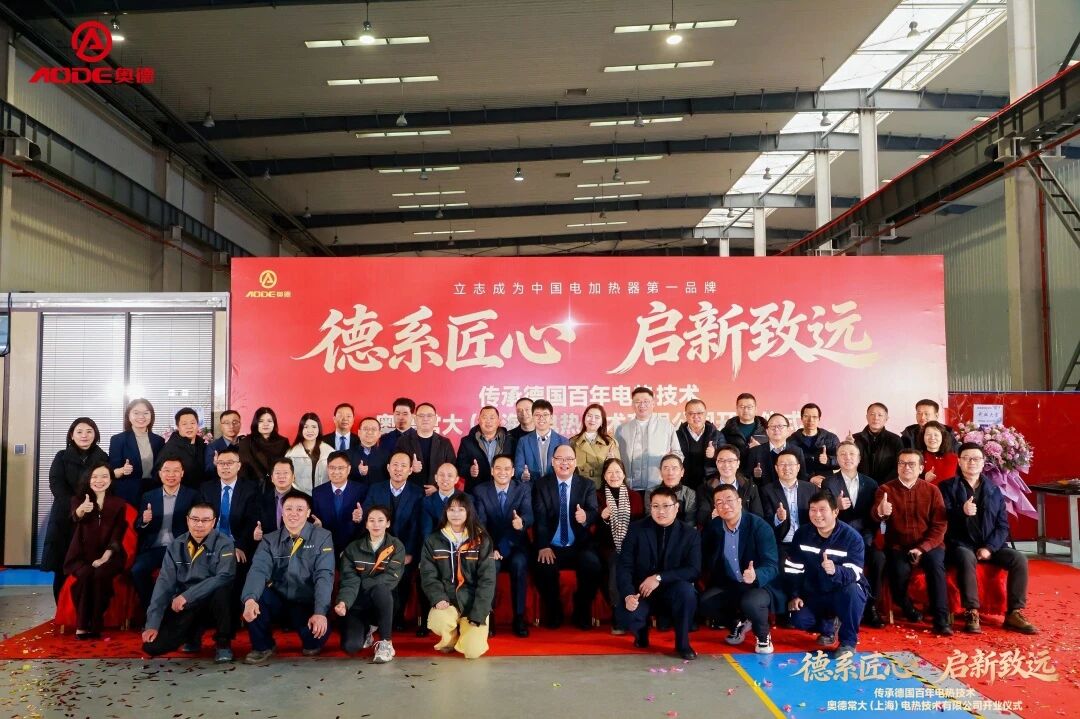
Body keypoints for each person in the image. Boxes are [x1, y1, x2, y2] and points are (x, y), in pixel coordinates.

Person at [939, 443, 1037, 634]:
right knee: (966, 557)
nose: (971, 462)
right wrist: (961, 511)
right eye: (967, 458)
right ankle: (971, 611)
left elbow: (1002, 526)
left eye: (976, 458)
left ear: (983, 462)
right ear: (959, 461)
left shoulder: (994, 490)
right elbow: (940, 519)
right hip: (960, 544)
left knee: (1019, 559)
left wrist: (989, 548)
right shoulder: (946, 487)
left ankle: (1014, 612)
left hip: (990, 545)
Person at [241, 490, 335, 664]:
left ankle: (312, 633)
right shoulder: (269, 540)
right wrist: (249, 599)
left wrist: (320, 612)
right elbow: (258, 570)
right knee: (255, 598)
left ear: (308, 513)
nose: (293, 514)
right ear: (282, 512)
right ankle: (263, 646)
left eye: (300, 509)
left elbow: (324, 575)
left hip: (306, 600)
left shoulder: (323, 537)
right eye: (289, 509)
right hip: (279, 598)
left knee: (313, 643)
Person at [141, 501, 237, 663]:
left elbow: (224, 576)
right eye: (195, 519)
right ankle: (192, 636)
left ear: (213, 522)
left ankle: (223, 643)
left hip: (211, 601)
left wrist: (188, 596)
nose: (199, 524)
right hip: (185, 606)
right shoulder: (175, 545)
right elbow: (163, 584)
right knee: (152, 647)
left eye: (205, 520)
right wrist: (152, 624)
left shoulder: (224, 543)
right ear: (187, 520)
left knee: (223, 592)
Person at [870, 449, 951, 636]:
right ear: (897, 466)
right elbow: (874, 517)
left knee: (936, 567)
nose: (906, 467)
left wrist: (922, 548)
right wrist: (880, 512)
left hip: (929, 545)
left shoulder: (932, 490)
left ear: (921, 468)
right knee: (898, 572)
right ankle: (906, 606)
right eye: (902, 463)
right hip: (898, 545)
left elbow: (940, 526)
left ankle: (941, 620)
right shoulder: (885, 490)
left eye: (911, 464)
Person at [617, 484, 701, 660]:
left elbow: (693, 570)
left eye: (666, 506)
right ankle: (641, 634)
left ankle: (683, 644)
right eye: (655, 506)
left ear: (676, 507)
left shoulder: (689, 534)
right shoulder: (636, 529)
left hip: (673, 590)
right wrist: (628, 595)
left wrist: (659, 577)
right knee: (627, 616)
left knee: (687, 592)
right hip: (642, 591)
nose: (660, 511)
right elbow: (624, 566)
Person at [784, 490, 869, 656]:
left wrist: (836, 571)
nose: (817, 515)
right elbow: (794, 568)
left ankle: (848, 642)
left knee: (854, 591)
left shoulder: (852, 538)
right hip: (815, 591)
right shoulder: (802, 534)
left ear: (835, 511)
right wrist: (795, 595)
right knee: (799, 619)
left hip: (842, 590)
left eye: (822, 510)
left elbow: (856, 573)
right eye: (813, 510)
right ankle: (828, 627)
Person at [700, 484, 780, 654]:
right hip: (731, 583)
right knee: (705, 602)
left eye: (729, 500)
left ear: (739, 501)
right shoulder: (714, 527)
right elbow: (704, 557)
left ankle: (763, 635)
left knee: (751, 602)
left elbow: (772, 565)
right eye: (719, 502)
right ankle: (737, 623)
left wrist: (756, 574)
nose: (725, 506)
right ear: (715, 507)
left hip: (758, 584)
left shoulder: (759, 526)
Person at [420, 492, 497, 659]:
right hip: (448, 601)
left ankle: (466, 632)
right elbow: (428, 574)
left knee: (472, 652)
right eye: (452, 509)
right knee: (438, 621)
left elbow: (488, 580)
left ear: (469, 512)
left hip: (473, 603)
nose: (456, 514)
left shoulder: (482, 540)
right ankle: (451, 638)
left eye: (461, 509)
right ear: (446, 512)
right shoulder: (433, 540)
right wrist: (438, 597)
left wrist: (479, 613)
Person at [532, 444, 601, 630]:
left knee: (592, 563)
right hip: (552, 544)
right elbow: (540, 518)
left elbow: (594, 511)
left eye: (569, 459)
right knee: (543, 566)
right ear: (552, 461)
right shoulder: (541, 485)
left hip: (579, 544)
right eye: (560, 459)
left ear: (575, 462)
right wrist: (543, 545)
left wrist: (586, 517)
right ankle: (554, 609)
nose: (565, 463)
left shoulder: (587, 485)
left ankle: (582, 608)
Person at [43, 417, 109, 601]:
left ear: (95, 434)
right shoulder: (61, 457)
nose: (84, 435)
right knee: (62, 568)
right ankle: (62, 611)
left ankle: (84, 611)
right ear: (71, 435)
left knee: (89, 566)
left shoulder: (103, 458)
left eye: (89, 431)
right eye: (79, 432)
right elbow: (56, 485)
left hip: (92, 519)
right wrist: (76, 506)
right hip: (65, 517)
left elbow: (106, 484)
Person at [63, 461, 129, 638]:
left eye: (104, 476)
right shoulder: (78, 500)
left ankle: (95, 624)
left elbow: (117, 534)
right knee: (85, 575)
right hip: (81, 556)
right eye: (95, 477)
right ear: (88, 479)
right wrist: (81, 510)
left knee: (99, 575)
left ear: (111, 480)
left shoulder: (118, 503)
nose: (99, 481)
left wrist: (105, 558)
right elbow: (74, 517)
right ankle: (82, 625)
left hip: (110, 555)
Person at [823, 441, 885, 628]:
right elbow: (823, 515)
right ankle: (836, 609)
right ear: (837, 459)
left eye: (852, 454)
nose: (847, 458)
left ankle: (871, 607)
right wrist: (836, 507)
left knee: (878, 559)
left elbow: (873, 517)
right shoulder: (829, 482)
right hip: (838, 538)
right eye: (843, 454)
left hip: (865, 537)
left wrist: (881, 513)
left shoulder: (871, 483)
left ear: (859, 459)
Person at [334, 506, 405, 663]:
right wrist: (344, 602)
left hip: (383, 601)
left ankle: (386, 643)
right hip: (357, 602)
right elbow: (348, 579)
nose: (376, 524)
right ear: (366, 524)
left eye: (380, 520)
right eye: (371, 520)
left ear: (388, 523)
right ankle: (367, 630)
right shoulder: (353, 548)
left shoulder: (396, 546)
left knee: (381, 590)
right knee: (351, 647)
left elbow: (391, 577)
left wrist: (363, 584)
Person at [473, 454, 533, 637]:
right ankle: (488, 617)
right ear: (492, 471)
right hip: (490, 546)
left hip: (516, 545)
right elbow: (480, 524)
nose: (502, 472)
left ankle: (519, 617)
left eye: (507, 469)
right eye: (498, 468)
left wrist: (521, 522)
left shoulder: (523, 489)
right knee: (491, 566)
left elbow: (529, 515)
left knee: (519, 564)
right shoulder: (480, 491)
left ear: (513, 472)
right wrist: (491, 548)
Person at [365, 451, 425, 632]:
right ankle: (376, 618)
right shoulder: (376, 489)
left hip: (405, 548)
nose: (398, 469)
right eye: (395, 465)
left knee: (404, 577)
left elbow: (416, 526)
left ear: (410, 470)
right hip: (378, 547)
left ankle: (397, 617)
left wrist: (409, 552)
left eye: (403, 466)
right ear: (388, 467)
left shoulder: (417, 492)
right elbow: (368, 518)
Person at [132, 458, 197, 615]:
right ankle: (152, 611)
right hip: (154, 548)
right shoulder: (148, 496)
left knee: (185, 572)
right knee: (137, 570)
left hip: (180, 548)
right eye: (167, 471)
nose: (171, 475)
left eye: (176, 471)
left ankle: (179, 614)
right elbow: (138, 526)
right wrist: (144, 521)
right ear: (160, 474)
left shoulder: (192, 495)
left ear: (182, 473)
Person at [596, 457, 645, 635]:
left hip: (632, 546)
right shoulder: (598, 496)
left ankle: (638, 613)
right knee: (616, 564)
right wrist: (603, 518)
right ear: (604, 476)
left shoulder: (635, 496)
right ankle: (618, 615)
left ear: (624, 474)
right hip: (608, 547)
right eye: (610, 472)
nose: (614, 475)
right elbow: (594, 532)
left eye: (618, 472)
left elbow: (640, 527)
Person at [416, 462, 463, 636]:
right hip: (436, 552)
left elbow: (471, 529)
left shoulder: (466, 499)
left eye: (450, 475)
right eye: (441, 475)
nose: (445, 479)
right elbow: (426, 532)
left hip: (461, 551)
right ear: (435, 478)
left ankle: (464, 619)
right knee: (424, 573)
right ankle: (426, 620)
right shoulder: (427, 502)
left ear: (457, 479)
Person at [614, 387, 682, 492]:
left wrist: (669, 471)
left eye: (646, 401)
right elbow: (616, 457)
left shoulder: (666, 426)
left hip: (658, 487)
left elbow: (677, 453)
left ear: (653, 404)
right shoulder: (622, 429)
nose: (642, 405)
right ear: (632, 404)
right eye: (637, 402)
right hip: (628, 488)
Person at [108, 398, 165, 505]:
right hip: (127, 493)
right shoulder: (118, 440)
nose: (141, 417)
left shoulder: (159, 441)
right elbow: (112, 473)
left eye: (146, 413)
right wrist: (122, 470)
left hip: (154, 491)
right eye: (136, 413)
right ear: (128, 416)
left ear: (151, 416)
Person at [759, 449, 815, 555]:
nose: (786, 468)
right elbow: (765, 519)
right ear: (776, 468)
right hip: (781, 543)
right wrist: (778, 518)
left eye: (790, 464)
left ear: (798, 467)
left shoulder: (811, 489)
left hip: (808, 541)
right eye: (782, 464)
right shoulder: (766, 490)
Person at [311, 451, 367, 554]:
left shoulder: (361, 490)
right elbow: (315, 518)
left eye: (341, 468)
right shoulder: (317, 492)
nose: (336, 472)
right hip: (325, 546)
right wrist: (317, 526)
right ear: (327, 469)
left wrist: (360, 518)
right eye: (332, 468)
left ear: (349, 469)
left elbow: (366, 518)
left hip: (353, 546)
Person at [395, 402, 456, 493]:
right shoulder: (403, 441)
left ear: (435, 419)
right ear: (415, 419)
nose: (425, 419)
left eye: (429, 416)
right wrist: (410, 468)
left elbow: (452, 468)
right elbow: (395, 466)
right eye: (421, 416)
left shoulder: (445, 443)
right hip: (410, 492)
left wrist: (438, 487)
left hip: (437, 493)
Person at [696, 446, 763, 526]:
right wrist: (712, 516)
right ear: (716, 463)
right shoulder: (705, 488)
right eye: (721, 461)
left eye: (730, 461)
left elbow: (758, 515)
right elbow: (701, 517)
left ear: (738, 463)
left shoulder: (750, 486)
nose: (726, 465)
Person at [457, 405, 514, 492]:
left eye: (492, 418)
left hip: (503, 491)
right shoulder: (467, 441)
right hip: (476, 491)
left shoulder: (510, 441)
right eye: (484, 417)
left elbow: (515, 465)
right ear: (478, 421)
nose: (488, 421)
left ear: (498, 421)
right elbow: (459, 466)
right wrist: (470, 470)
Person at [745, 413, 808, 486]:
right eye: (772, 426)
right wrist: (756, 476)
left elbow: (802, 478)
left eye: (780, 426)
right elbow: (748, 479)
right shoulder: (755, 452)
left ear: (788, 430)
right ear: (767, 431)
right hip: (763, 492)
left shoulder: (797, 451)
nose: (776, 429)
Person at [675, 398, 724, 491]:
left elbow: (726, 459)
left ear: (706, 414)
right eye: (691, 413)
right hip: (683, 484)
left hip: (710, 484)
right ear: (685, 415)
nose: (696, 416)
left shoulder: (717, 435)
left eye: (699, 413)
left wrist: (715, 455)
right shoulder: (676, 436)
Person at [514, 399, 568, 482]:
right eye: (537, 415)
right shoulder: (523, 441)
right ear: (532, 417)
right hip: (531, 487)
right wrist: (522, 475)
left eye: (545, 414)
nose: (541, 418)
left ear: (551, 417)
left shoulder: (563, 441)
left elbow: (567, 467)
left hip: (555, 486)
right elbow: (518, 468)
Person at [569, 403, 619, 490]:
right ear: (584, 418)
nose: (592, 420)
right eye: (589, 416)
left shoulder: (609, 442)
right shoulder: (573, 442)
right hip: (580, 487)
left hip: (603, 487)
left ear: (602, 421)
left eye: (597, 417)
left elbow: (618, 469)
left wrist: (612, 461)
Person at [237, 407, 290, 487]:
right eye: (261, 421)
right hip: (251, 486)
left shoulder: (283, 442)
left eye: (269, 421)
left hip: (277, 486)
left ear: (274, 423)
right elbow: (243, 470)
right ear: (256, 423)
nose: (266, 424)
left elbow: (287, 467)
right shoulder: (246, 442)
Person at [788, 403, 839, 487]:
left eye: (814, 417)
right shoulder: (791, 440)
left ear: (819, 419)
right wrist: (809, 478)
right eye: (806, 416)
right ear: (801, 418)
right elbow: (788, 465)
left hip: (826, 484)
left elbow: (840, 461)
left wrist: (828, 460)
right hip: (801, 484)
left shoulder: (831, 438)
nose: (810, 420)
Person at [157, 407, 209, 489]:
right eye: (184, 424)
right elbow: (158, 475)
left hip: (201, 492)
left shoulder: (202, 444)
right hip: (181, 493)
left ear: (197, 425)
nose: (189, 427)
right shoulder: (170, 448)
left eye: (192, 423)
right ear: (178, 427)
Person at [852, 403, 904, 484]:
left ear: (886, 418)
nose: (876, 418)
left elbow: (899, 464)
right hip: (860, 485)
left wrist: (885, 485)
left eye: (880, 415)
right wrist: (848, 446)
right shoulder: (854, 439)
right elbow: (850, 464)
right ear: (867, 417)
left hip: (887, 486)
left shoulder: (895, 440)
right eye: (872, 414)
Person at [285, 412, 334, 494]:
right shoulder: (291, 454)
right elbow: (287, 478)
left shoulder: (330, 451)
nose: (310, 430)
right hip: (299, 496)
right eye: (306, 427)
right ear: (301, 429)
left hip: (324, 495)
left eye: (314, 427)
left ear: (319, 429)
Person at [645, 455, 697, 529]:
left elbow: (690, 522)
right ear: (660, 472)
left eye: (674, 468)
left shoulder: (690, 494)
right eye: (666, 468)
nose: (670, 473)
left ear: (682, 472)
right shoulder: (651, 492)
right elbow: (650, 518)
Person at [256, 458, 306, 535]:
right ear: (272, 478)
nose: (281, 476)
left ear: (293, 477)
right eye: (278, 473)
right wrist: (255, 534)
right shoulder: (261, 500)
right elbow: (255, 525)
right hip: (269, 541)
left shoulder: (305, 499)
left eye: (285, 473)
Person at [719, 392, 767, 461]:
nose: (745, 410)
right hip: (735, 467)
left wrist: (760, 449)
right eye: (742, 407)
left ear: (756, 409)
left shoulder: (766, 430)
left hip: (759, 467)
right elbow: (721, 453)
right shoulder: (727, 431)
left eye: (749, 407)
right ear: (737, 409)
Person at [204, 410, 243, 481]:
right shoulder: (213, 447)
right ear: (221, 426)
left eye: (235, 422)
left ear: (240, 424)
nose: (231, 426)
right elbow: (208, 471)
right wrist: (215, 464)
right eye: (227, 423)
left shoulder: (246, 444)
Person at [355, 416, 393, 485]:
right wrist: (359, 472)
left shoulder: (388, 455)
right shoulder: (347, 454)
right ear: (359, 432)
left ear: (379, 434)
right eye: (365, 429)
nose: (369, 432)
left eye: (373, 429)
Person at [921, 420, 958, 486]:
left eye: (936, 435)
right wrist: (924, 479)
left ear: (942, 437)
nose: (932, 438)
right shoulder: (917, 458)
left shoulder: (954, 458)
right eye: (928, 434)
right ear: (923, 437)